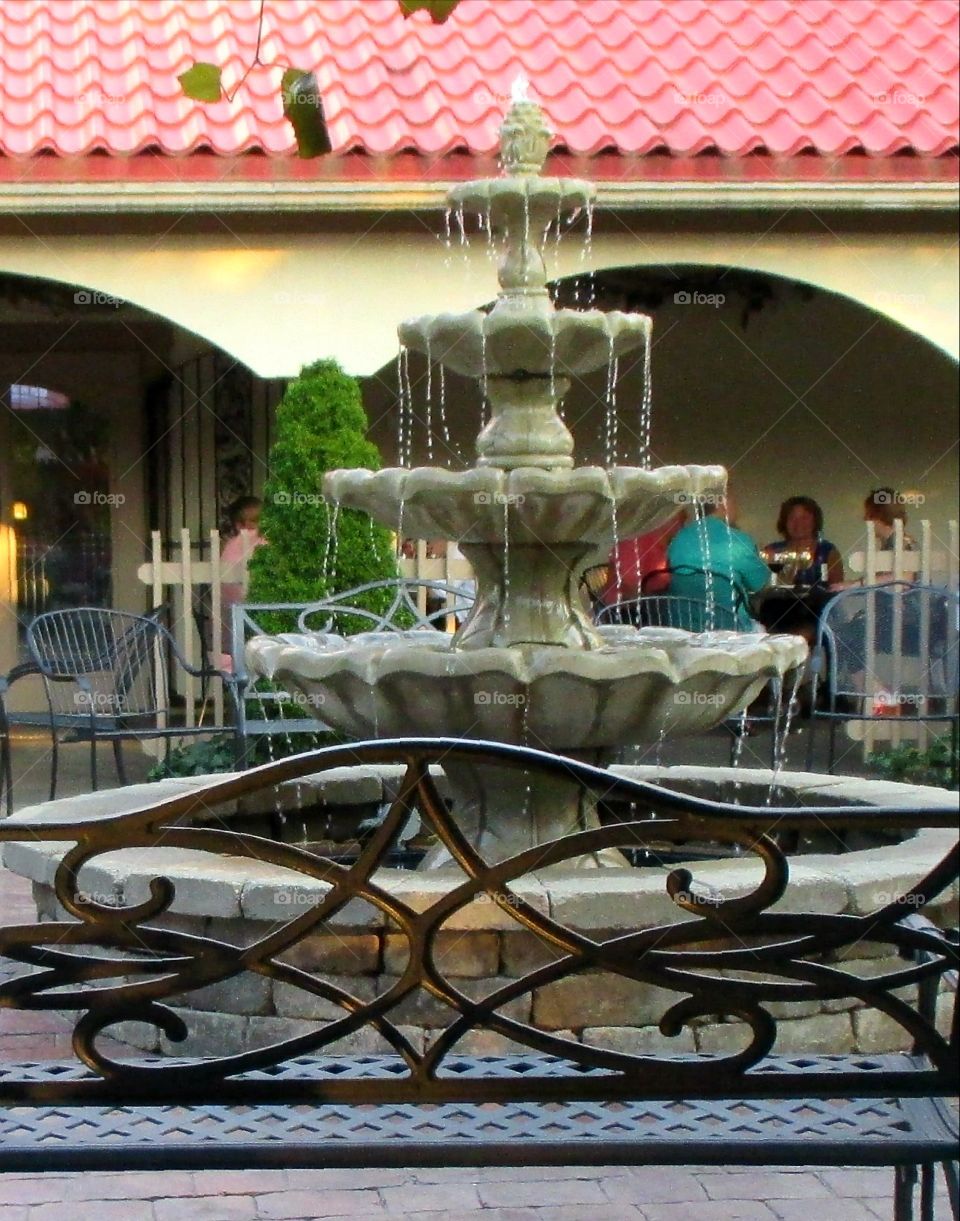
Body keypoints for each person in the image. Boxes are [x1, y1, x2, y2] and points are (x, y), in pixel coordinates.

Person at [667, 491, 769, 631]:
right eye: (734, 501)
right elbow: (760, 585)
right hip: (731, 630)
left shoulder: (678, 538)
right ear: (722, 502)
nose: (737, 509)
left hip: (683, 627)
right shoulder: (739, 540)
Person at [598, 510, 684, 617]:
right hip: (625, 609)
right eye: (679, 521)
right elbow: (629, 583)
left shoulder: (669, 545)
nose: (681, 528)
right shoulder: (637, 541)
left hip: (653, 602)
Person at [218, 496, 265, 667]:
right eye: (255, 521)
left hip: (231, 621)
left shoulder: (230, 546)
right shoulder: (253, 541)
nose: (260, 526)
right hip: (254, 613)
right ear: (240, 525)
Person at [764, 496, 843, 587]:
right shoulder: (772, 551)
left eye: (804, 518)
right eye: (792, 518)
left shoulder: (828, 552)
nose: (798, 523)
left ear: (815, 521)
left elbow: (837, 592)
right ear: (784, 522)